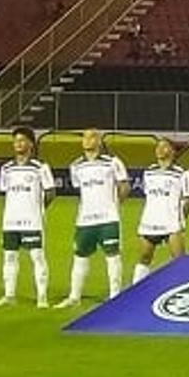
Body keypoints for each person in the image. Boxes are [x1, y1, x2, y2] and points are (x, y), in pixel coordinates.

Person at [56, 128, 129, 307]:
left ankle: (114, 296)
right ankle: (74, 297)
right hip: (85, 220)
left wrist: (115, 205)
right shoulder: (76, 166)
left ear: (99, 141)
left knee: (112, 256)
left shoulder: (113, 162)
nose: (87, 140)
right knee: (80, 255)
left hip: (108, 219)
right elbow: (80, 190)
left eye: (92, 137)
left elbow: (124, 186)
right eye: (85, 137)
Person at [0, 125, 53, 308]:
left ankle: (42, 297)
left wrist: (38, 208)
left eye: (22, 140)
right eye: (15, 141)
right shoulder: (6, 168)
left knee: (37, 256)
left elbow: (50, 192)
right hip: (10, 221)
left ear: (31, 144)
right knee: (9, 257)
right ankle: (9, 295)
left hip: (32, 220)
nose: (18, 144)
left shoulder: (40, 167)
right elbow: (5, 192)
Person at [131, 136, 189, 289]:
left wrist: (179, 219)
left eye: (164, 146)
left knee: (179, 260)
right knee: (144, 257)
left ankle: (182, 290)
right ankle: (136, 290)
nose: (159, 149)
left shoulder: (181, 173)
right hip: (150, 222)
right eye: (158, 147)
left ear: (172, 152)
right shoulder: (149, 172)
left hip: (171, 224)